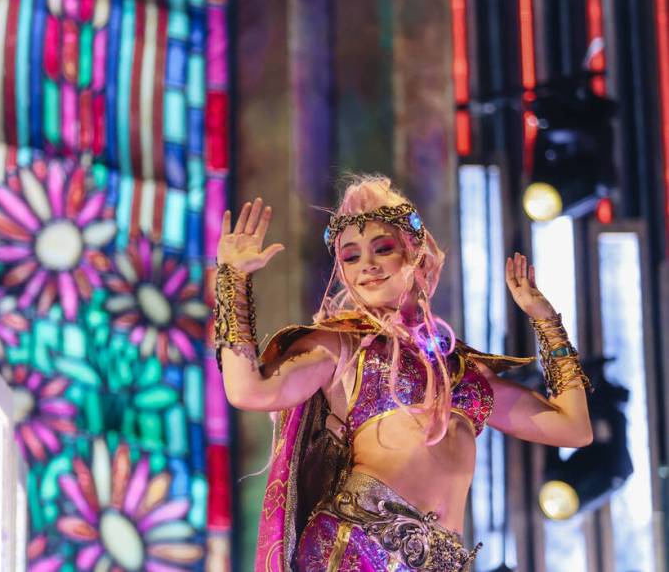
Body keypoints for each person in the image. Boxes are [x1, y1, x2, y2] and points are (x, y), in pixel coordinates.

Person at [214, 175, 592, 572]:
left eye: (382, 248)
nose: (369, 266)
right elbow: (248, 391)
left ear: (415, 253)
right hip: (356, 550)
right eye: (351, 256)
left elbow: (573, 428)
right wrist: (232, 280)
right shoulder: (340, 346)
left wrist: (547, 323)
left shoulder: (463, 371)